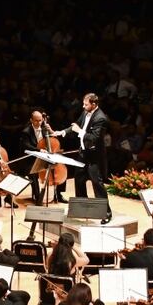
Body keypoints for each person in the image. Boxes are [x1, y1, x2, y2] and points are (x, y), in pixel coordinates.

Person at [52, 93, 111, 222]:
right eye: (83, 104)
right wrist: (62, 132)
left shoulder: (101, 118)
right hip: (83, 154)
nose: (83, 107)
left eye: (86, 104)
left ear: (94, 104)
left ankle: (106, 213)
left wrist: (80, 131)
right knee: (78, 180)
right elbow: (76, 125)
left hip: (94, 156)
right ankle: (82, 208)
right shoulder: (85, 112)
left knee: (97, 184)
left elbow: (94, 138)